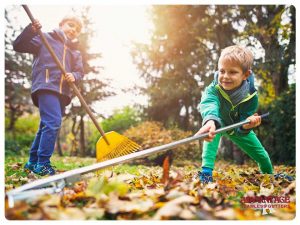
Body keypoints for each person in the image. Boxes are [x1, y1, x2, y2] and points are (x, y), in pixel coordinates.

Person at [13, 15, 84, 176]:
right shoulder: (45, 39)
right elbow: (19, 45)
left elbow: (80, 72)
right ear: (61, 24)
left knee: (46, 125)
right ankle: (43, 164)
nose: (73, 30)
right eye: (70, 25)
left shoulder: (75, 52)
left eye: (77, 29)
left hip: (63, 93)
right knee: (52, 122)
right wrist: (30, 31)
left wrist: (74, 75)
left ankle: (32, 161)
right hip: (46, 85)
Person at [195, 45, 273, 183]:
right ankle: (206, 174)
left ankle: (269, 176)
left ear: (245, 75)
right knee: (211, 132)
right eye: (222, 71)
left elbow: (244, 120)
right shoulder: (214, 89)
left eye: (232, 72)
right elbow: (209, 103)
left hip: (239, 128)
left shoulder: (251, 97)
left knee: (263, 156)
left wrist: (246, 126)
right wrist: (210, 120)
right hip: (219, 123)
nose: (225, 76)